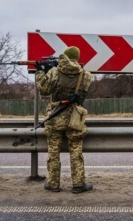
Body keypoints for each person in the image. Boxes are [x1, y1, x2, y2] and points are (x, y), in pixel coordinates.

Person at [35, 46, 93, 194]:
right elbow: (82, 96)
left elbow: (43, 89)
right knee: (76, 153)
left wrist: (41, 72)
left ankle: (53, 184)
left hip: (55, 117)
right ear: (77, 58)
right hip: (74, 118)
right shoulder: (86, 75)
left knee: (53, 153)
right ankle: (78, 185)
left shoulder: (54, 72)